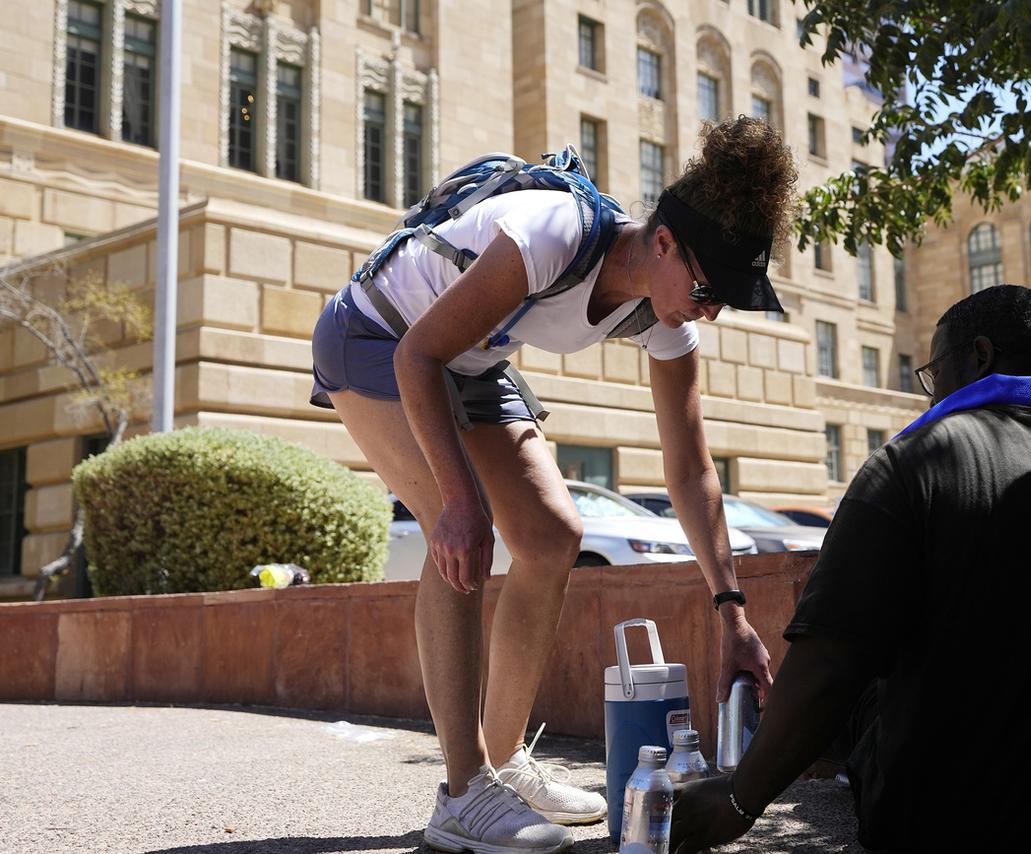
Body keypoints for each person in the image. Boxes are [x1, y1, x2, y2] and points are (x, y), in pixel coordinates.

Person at [310, 117, 793, 854]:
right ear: (662, 240)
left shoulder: (663, 319)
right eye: (705, 289)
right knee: (455, 521)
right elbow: (417, 355)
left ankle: (501, 765)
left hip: (467, 361)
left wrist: (730, 609)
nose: (708, 310)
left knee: (551, 535)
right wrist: (463, 502)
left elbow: (691, 470)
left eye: (722, 299)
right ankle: (463, 794)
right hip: (378, 339)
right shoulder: (553, 234)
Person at [671, 285, 1031, 853]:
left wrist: (739, 798)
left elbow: (829, 663)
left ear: (978, 357)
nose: (929, 395)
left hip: (940, 817)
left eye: (935, 372)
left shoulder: (913, 463)